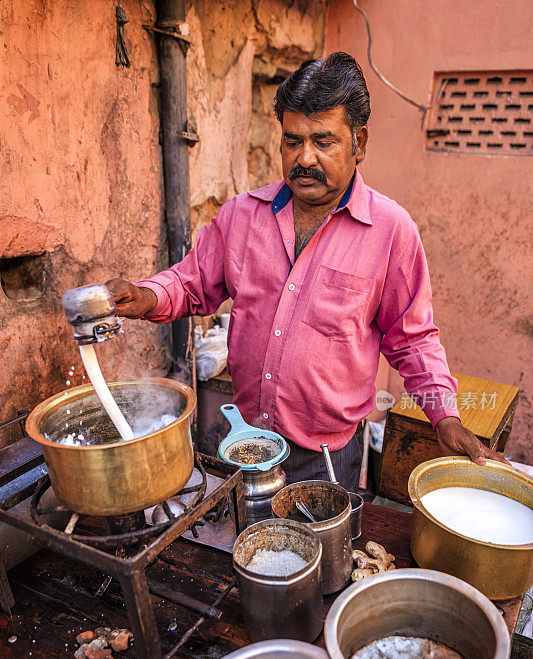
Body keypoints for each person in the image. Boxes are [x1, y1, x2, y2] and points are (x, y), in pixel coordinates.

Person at [106, 52, 504, 491]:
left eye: (323, 141)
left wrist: (444, 416)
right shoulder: (242, 215)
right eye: (293, 141)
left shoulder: (391, 232)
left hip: (327, 461)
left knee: (320, 558)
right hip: (245, 444)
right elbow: (190, 282)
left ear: (360, 143)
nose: (305, 158)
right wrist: (145, 296)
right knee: (247, 553)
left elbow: (412, 339)